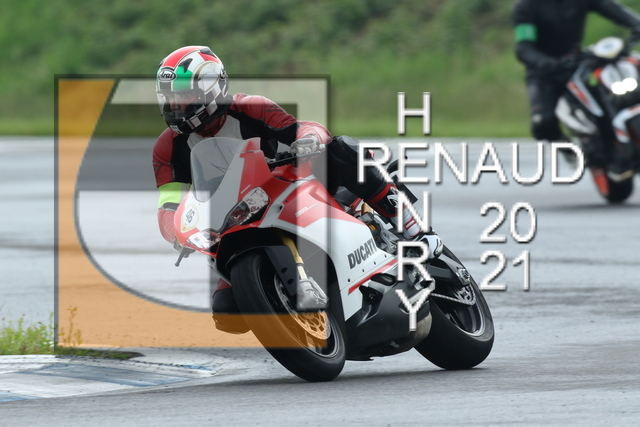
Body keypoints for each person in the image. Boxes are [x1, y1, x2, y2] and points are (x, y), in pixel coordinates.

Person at [152, 46, 442, 333]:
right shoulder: (167, 148)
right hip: (233, 223)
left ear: (212, 88)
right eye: (169, 97)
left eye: (183, 96)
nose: (175, 105)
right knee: (228, 312)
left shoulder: (251, 108)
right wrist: (176, 232)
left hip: (289, 187)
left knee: (340, 149)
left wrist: (309, 139)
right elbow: (169, 205)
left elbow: (304, 128)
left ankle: (413, 227)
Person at [513, 0, 640, 164]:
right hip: (544, 71)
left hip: (577, 62)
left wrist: (636, 24)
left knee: (607, 94)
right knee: (542, 123)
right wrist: (543, 62)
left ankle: (614, 144)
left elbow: (611, 8)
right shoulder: (526, 6)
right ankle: (572, 152)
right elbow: (523, 47)